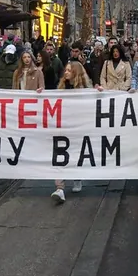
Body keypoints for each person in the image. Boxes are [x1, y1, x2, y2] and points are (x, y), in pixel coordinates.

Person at [51, 62, 94, 203]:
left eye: (69, 70)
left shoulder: (86, 90)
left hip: (79, 128)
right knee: (59, 155)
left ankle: (77, 177)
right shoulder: (61, 88)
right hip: (63, 127)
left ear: (76, 73)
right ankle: (60, 188)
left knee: (76, 154)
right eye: (66, 70)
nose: (66, 73)